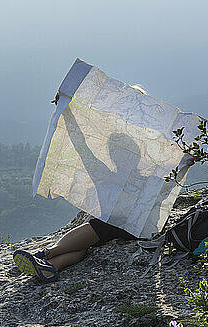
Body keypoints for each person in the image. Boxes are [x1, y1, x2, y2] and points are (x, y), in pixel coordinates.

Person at [13, 85, 148, 282]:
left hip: (125, 229)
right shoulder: (111, 175)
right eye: (117, 151)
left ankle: (45, 255)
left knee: (99, 226)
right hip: (118, 230)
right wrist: (66, 112)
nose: (119, 155)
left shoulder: (142, 178)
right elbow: (82, 145)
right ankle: (50, 267)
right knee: (84, 248)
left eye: (123, 151)